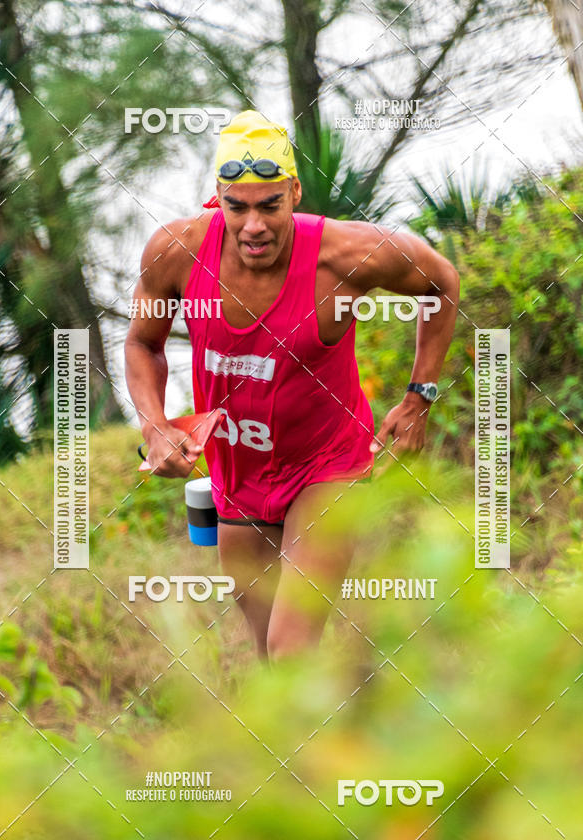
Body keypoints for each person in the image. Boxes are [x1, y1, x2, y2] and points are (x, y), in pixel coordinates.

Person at [124, 110, 460, 661]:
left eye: (268, 206)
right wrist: (155, 425)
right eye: (237, 207)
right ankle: (343, 740)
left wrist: (420, 396)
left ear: (295, 192)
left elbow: (440, 283)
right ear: (219, 198)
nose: (253, 225)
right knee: (273, 669)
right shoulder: (176, 253)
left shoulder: (344, 255)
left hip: (326, 468)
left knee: (290, 651)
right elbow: (143, 343)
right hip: (240, 477)